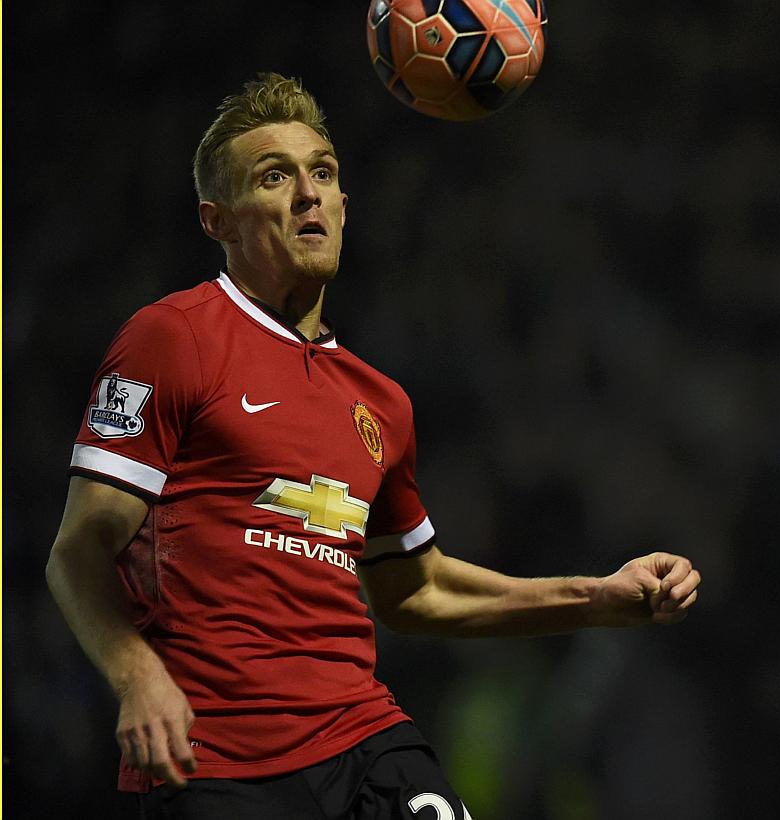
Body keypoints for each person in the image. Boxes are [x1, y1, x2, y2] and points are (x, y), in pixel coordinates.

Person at [45, 73, 702, 820]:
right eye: (274, 177)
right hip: (218, 757)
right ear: (217, 219)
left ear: (345, 205)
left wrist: (598, 598)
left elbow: (415, 588)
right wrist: (136, 676)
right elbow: (78, 552)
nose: (308, 193)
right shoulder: (174, 338)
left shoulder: (379, 402)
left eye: (321, 172)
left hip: (362, 736)